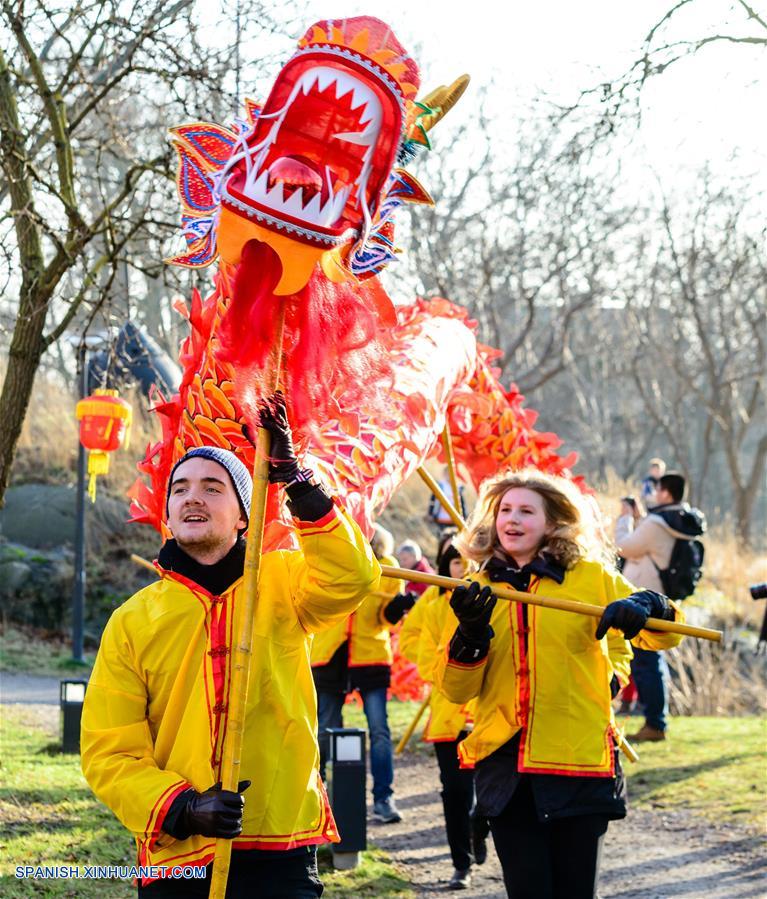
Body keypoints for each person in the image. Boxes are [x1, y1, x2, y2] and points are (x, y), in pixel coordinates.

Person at [80, 392, 381, 897]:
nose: (192, 497)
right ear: (168, 512)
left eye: (213, 488)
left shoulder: (285, 580)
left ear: (244, 515)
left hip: (280, 843)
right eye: (180, 489)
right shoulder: (132, 619)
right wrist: (183, 807)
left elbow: (352, 578)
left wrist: (296, 480)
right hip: (179, 856)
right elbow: (108, 751)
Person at [434, 469, 686, 899]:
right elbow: (455, 690)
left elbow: (665, 633)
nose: (512, 519)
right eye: (505, 510)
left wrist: (650, 604)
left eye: (526, 511)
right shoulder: (472, 589)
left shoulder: (590, 576)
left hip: (579, 761)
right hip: (507, 769)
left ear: (552, 523)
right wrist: (470, 637)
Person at [400, 536, 486, 891]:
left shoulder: (493, 595)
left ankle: (480, 826)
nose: (461, 568)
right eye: (454, 562)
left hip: (489, 713)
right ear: (443, 565)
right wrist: (439, 658)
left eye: (468, 561)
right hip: (448, 716)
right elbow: (409, 640)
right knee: (454, 792)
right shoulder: (433, 603)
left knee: (492, 792)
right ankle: (460, 864)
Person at [311, 524, 412, 824]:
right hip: (330, 654)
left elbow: (386, 618)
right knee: (324, 728)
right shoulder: (333, 560)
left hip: (370, 655)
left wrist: (399, 607)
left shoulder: (388, 568)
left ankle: (384, 798)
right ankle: (319, 795)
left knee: (379, 729)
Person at [616, 471, 706, 742]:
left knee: (646, 662)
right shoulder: (680, 520)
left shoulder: (657, 522)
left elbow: (623, 547)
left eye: (657, 490)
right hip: (664, 598)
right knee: (654, 661)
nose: (654, 494)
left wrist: (624, 518)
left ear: (666, 493)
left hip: (645, 600)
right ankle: (656, 719)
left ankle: (655, 724)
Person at [427, 466, 468, 533]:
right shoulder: (440, 485)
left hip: (454, 519)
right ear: (444, 474)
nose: (449, 475)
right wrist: (430, 513)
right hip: (441, 518)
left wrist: (464, 515)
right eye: (447, 473)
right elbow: (433, 500)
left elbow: (462, 503)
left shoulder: (458, 487)